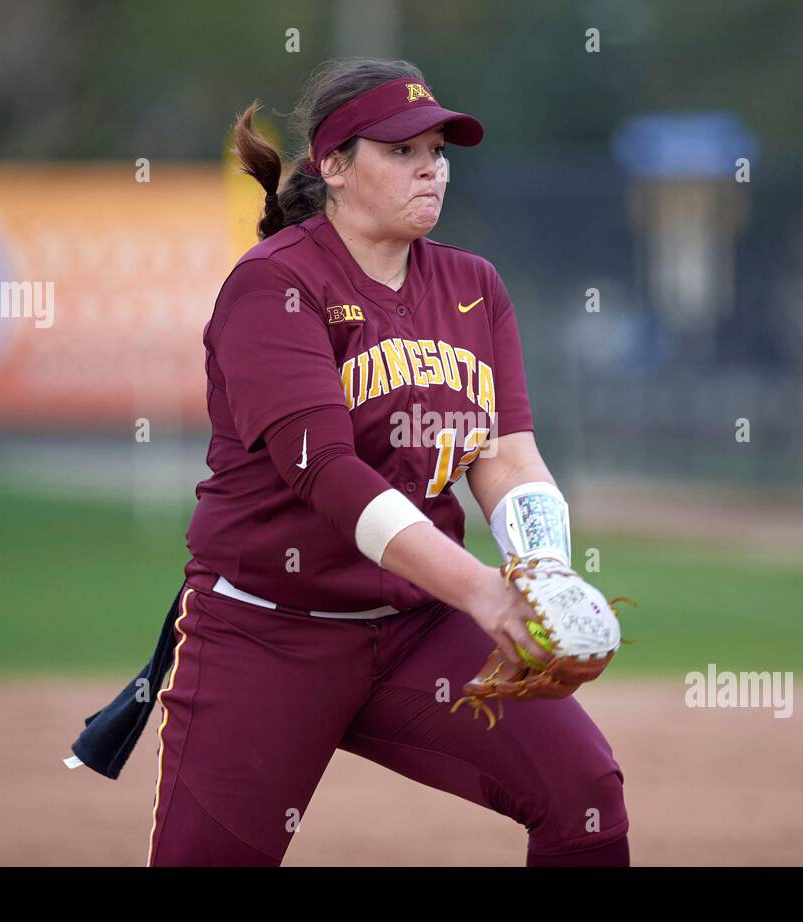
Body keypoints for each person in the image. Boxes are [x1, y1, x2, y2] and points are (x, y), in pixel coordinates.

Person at [149, 57, 628, 866]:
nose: (431, 168)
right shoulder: (275, 286)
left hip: (415, 631)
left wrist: (541, 569)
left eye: (437, 150)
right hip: (270, 633)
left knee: (584, 794)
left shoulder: (473, 286)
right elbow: (331, 475)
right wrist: (483, 591)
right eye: (401, 150)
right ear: (334, 167)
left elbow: (506, 454)